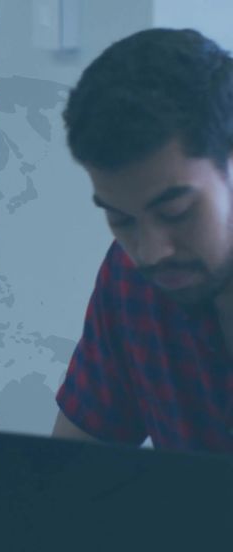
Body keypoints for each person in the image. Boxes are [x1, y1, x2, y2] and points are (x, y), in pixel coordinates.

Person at [54, 28, 233, 452]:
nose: (150, 252)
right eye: (121, 219)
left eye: (176, 212)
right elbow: (68, 473)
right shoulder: (130, 279)